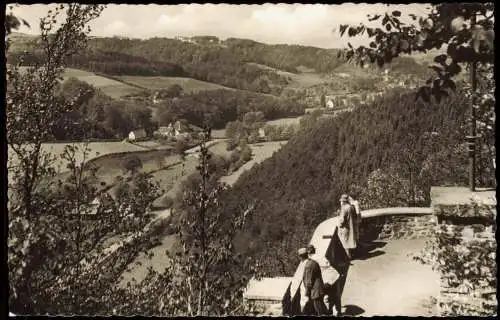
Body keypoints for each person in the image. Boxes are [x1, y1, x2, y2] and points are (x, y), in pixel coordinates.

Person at [298, 247, 328, 315]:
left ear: (300, 257)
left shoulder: (309, 265)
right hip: (317, 290)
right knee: (320, 308)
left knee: (319, 310)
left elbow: (309, 281)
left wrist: (306, 294)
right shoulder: (312, 262)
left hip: (315, 291)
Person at [338, 194, 357, 259]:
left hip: (345, 228)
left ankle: (348, 257)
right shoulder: (351, 207)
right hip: (351, 226)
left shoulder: (344, 208)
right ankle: (351, 254)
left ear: (343, 201)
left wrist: (340, 225)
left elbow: (342, 220)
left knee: (345, 242)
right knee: (350, 240)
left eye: (341, 201)